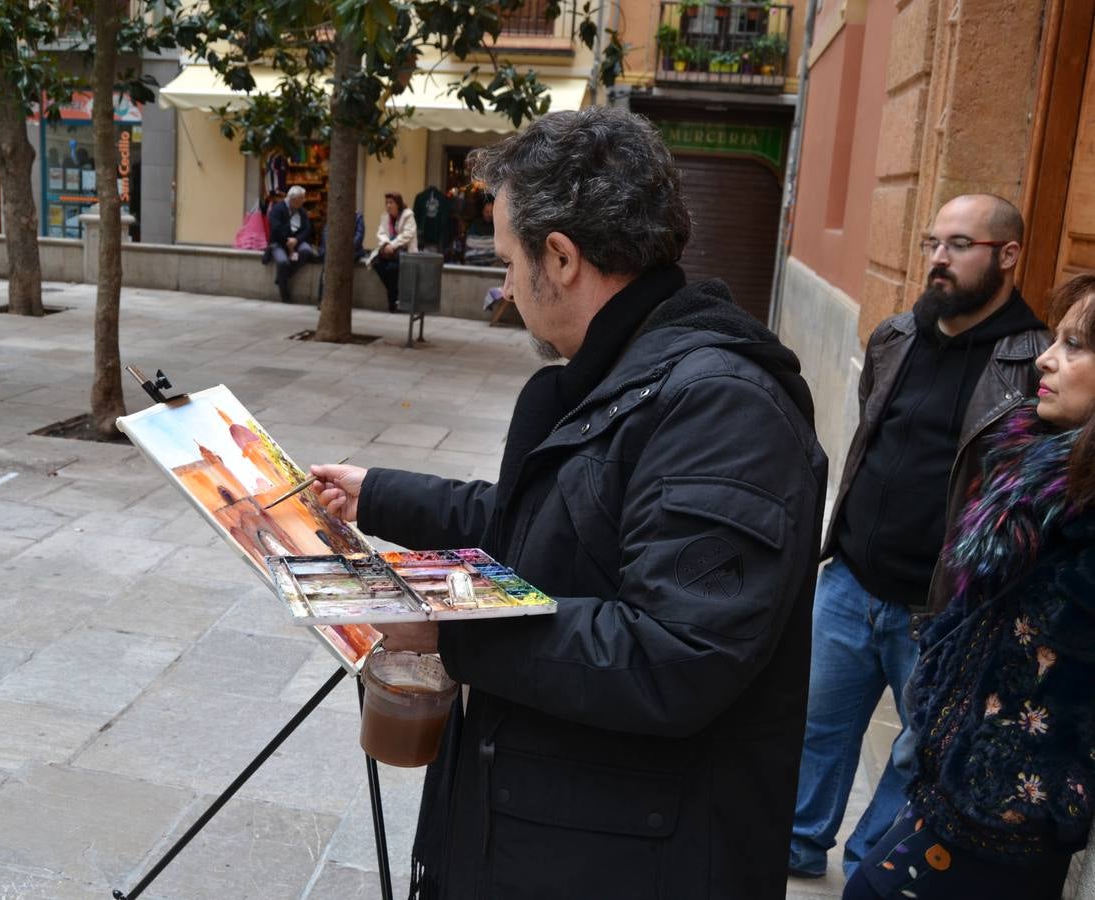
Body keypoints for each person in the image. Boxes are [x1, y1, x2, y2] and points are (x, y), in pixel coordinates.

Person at [310, 106, 828, 899]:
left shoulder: (722, 407)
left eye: (511, 259)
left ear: (562, 256)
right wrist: (379, 494)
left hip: (625, 857)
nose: (506, 286)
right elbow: (551, 526)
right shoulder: (620, 368)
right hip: (555, 826)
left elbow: (674, 655)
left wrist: (454, 632)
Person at [788, 194, 1050, 880]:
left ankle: (871, 865)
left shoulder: (1033, 364)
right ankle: (796, 847)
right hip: (848, 581)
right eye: (933, 241)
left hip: (937, 609)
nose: (938, 257)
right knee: (815, 731)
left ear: (1008, 256)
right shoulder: (897, 335)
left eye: (960, 245)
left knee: (916, 755)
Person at [842, 274, 1095, 899]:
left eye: (1076, 345)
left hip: (1009, 809)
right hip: (952, 781)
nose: (1047, 357)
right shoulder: (1041, 468)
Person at [365, 192, 418, 312]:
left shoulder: (408, 215)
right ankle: (394, 295)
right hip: (389, 251)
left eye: (391, 202)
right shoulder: (385, 216)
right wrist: (386, 244)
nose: (388, 205)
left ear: (398, 204)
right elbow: (381, 233)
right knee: (376, 262)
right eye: (386, 203)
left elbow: (408, 235)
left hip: (404, 251)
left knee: (391, 269)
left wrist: (392, 245)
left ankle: (393, 302)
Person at [265, 185, 317, 303]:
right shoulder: (277, 209)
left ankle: (281, 277)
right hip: (279, 243)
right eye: (302, 198)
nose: (304, 201)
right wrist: (287, 241)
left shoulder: (302, 211)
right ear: (294, 199)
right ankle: (285, 294)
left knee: (307, 251)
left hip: (297, 242)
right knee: (282, 262)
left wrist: (296, 240)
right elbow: (275, 229)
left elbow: (307, 229)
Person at [462, 195, 497, 266]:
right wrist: (489, 246)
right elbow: (470, 243)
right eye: (487, 212)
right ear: (482, 212)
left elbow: (500, 247)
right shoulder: (476, 224)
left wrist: (481, 246)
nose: (489, 214)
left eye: (491, 212)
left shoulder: (497, 225)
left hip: (493, 266)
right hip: (474, 264)